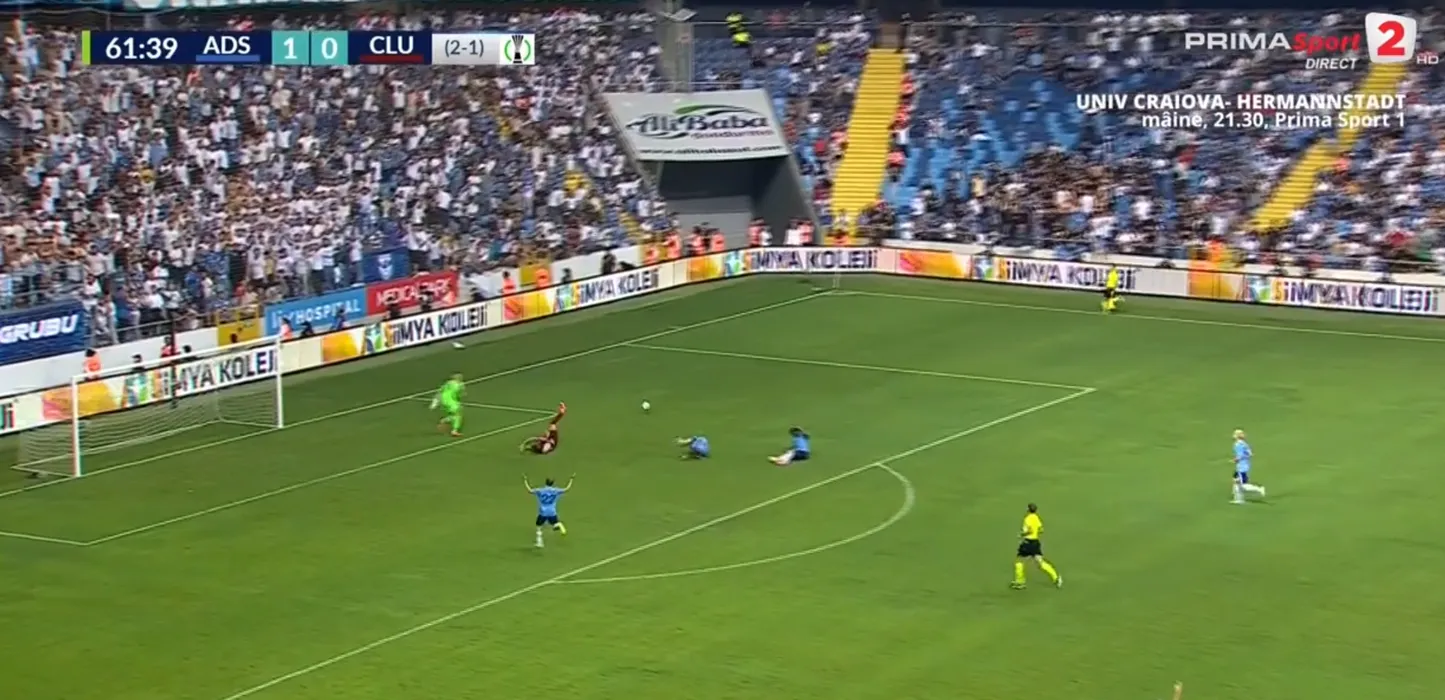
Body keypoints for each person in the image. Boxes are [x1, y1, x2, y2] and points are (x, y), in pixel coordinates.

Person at [1012, 503, 1063, 589]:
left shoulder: (1027, 518)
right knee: (1040, 562)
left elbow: (1029, 530)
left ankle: (1020, 582)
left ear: (1028, 509)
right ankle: (1056, 578)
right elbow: (1041, 530)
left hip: (1027, 543)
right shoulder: (1036, 518)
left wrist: (1021, 534)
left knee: (1019, 562)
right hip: (1035, 543)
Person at [525, 474, 573, 548]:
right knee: (554, 524)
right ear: (552, 483)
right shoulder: (556, 490)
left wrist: (525, 480)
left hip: (543, 512)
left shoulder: (540, 490)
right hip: (552, 512)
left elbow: (529, 490)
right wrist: (571, 479)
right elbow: (567, 489)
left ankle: (539, 543)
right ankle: (558, 524)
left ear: (546, 482)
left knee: (538, 526)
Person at [1231, 429, 1267, 503]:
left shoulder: (1238, 445)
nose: (1233, 435)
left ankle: (1259, 489)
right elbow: (1250, 454)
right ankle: (1238, 499)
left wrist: (1235, 460)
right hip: (1245, 465)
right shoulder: (1244, 444)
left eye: (1235, 434)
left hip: (1241, 467)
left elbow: (1240, 455)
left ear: (1237, 436)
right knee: (1236, 482)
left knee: (1243, 485)